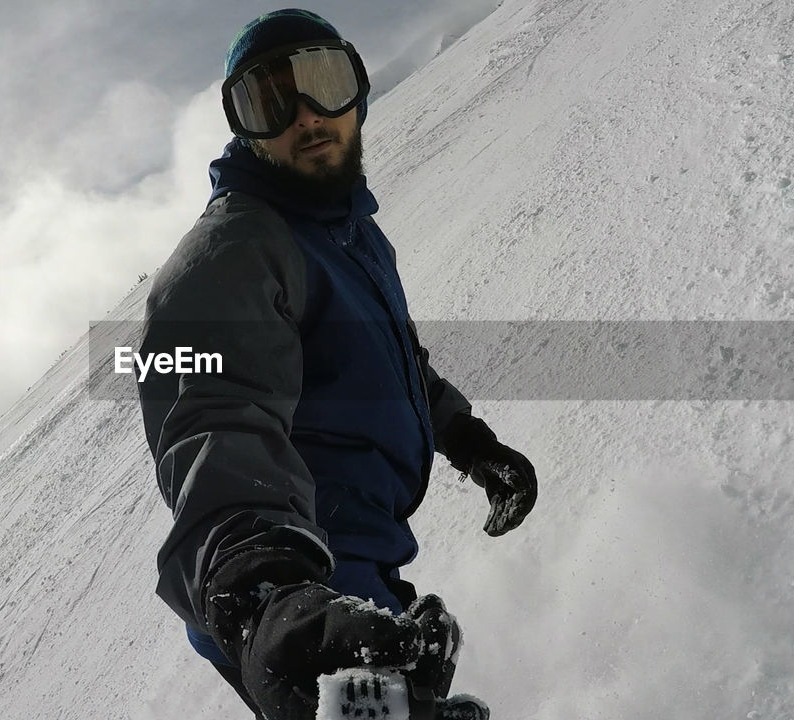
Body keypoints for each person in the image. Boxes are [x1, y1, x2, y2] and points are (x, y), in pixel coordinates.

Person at [136, 9, 538, 720]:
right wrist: (263, 593)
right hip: (298, 585)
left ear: (357, 89)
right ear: (242, 127)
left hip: (353, 566)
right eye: (269, 102)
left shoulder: (350, 235)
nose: (307, 117)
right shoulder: (233, 252)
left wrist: (471, 444)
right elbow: (214, 416)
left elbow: (393, 360)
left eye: (324, 82)